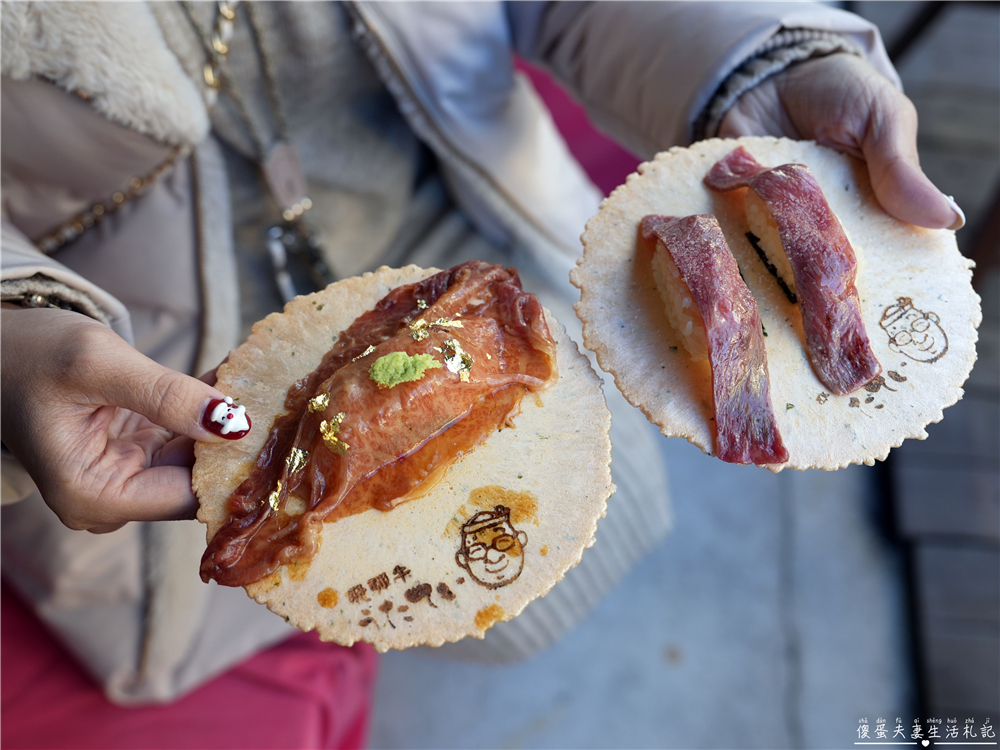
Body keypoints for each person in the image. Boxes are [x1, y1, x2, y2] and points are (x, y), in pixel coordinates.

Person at [1, 0, 962, 714]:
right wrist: (15, 327)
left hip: (482, 258)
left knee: (575, 539)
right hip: (136, 378)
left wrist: (748, 61)